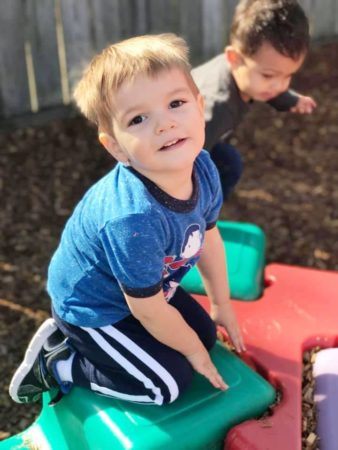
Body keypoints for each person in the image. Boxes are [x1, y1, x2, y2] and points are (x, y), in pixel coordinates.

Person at [9, 34, 245, 406]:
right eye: (138, 118)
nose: (165, 124)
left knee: (204, 335)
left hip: (145, 291)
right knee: (167, 385)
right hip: (96, 307)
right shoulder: (132, 219)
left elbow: (209, 236)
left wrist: (222, 304)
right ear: (115, 145)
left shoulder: (202, 166)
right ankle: (60, 362)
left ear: (200, 107)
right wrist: (195, 357)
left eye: (176, 103)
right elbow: (148, 311)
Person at [191, 0, 317, 199]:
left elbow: (270, 89)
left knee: (226, 161)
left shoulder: (244, 74)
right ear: (234, 58)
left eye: (287, 76)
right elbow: (181, 161)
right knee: (227, 164)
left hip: (200, 144)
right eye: (269, 76)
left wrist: (290, 100)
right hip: (173, 153)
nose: (279, 86)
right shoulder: (217, 108)